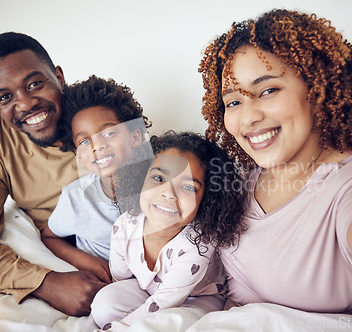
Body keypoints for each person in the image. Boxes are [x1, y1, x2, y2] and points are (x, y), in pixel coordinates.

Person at [198, 8, 352, 326]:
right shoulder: (239, 183)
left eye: (268, 90)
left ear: (317, 90)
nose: (248, 117)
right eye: (234, 101)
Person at [0, 32, 104, 316]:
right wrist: (45, 283)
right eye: (5, 97)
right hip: (58, 254)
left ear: (58, 76)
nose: (25, 104)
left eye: (35, 84)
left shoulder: (102, 112)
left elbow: (139, 210)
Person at [90, 131, 247, 331]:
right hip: (149, 293)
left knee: (167, 324)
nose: (169, 194)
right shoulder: (124, 226)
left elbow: (164, 303)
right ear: (140, 179)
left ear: (206, 200)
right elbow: (120, 280)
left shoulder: (198, 244)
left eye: (189, 188)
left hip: (197, 299)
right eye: (158, 178)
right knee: (104, 303)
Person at [41, 75, 151, 283]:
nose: (97, 145)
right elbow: (49, 237)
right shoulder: (74, 198)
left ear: (135, 137)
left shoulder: (158, 184)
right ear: (77, 154)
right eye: (84, 141)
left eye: (109, 133)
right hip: (111, 282)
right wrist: (87, 262)